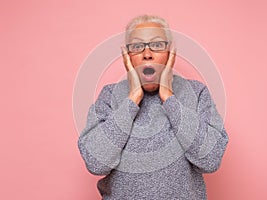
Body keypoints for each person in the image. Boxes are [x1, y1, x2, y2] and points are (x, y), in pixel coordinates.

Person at [78, 14, 229, 200]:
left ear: (170, 53)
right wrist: (133, 98)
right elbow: (95, 163)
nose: (147, 53)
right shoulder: (109, 96)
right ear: (127, 55)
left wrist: (168, 97)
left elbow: (210, 159)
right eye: (137, 46)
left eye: (157, 45)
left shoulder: (196, 93)